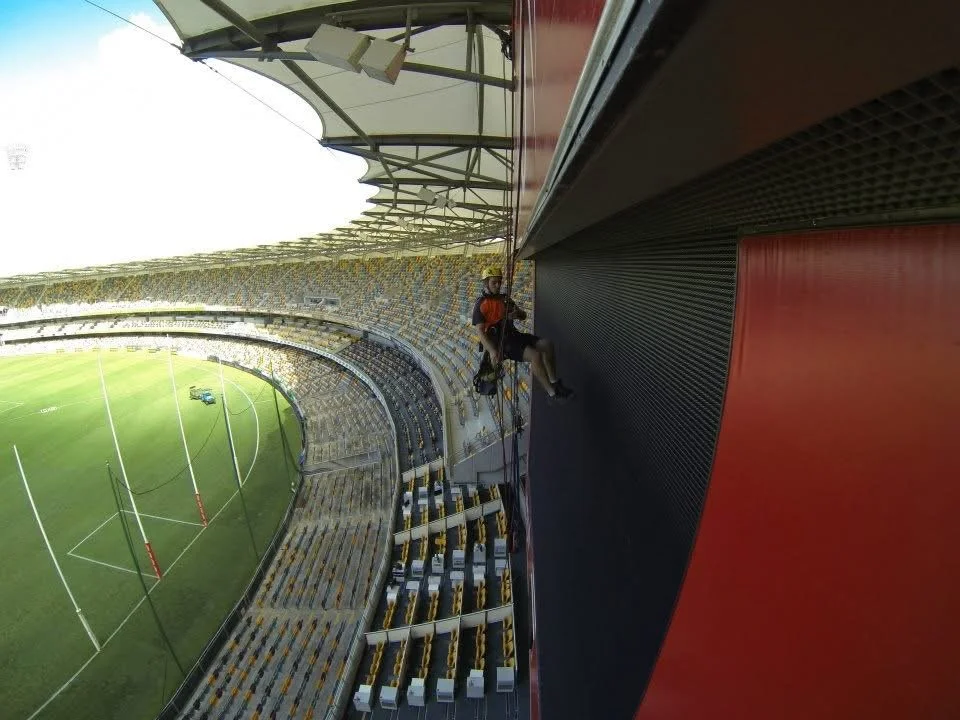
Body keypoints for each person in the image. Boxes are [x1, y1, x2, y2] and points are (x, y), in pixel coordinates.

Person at [472, 266, 573, 402]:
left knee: (547, 345)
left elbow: (523, 315)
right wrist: (491, 350)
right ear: (486, 283)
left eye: (499, 282)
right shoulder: (481, 304)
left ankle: (554, 382)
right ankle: (552, 394)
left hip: (514, 336)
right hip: (501, 343)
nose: (497, 285)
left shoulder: (504, 299)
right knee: (535, 356)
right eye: (493, 282)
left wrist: (517, 314)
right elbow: (479, 330)